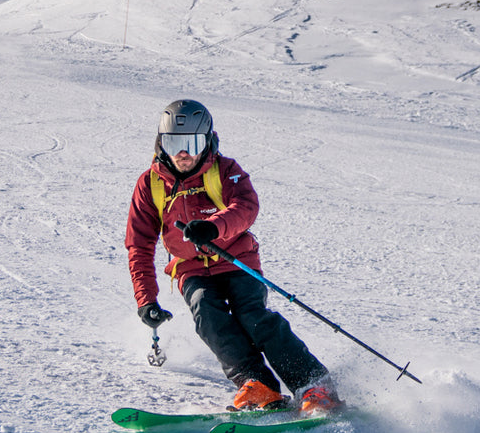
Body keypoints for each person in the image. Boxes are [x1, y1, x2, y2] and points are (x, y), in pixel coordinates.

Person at [125, 99, 342, 414]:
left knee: (253, 316)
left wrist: (213, 228)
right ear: (161, 142)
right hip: (191, 269)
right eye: (173, 143)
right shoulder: (151, 184)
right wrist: (146, 300)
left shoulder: (225, 170)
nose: (182, 153)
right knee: (208, 318)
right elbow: (139, 243)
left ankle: (314, 384)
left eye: (191, 143)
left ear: (207, 140)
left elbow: (246, 206)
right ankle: (257, 386)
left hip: (236, 259)